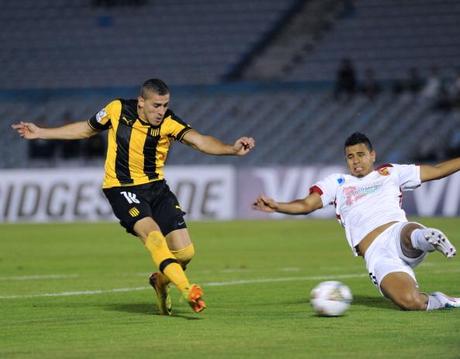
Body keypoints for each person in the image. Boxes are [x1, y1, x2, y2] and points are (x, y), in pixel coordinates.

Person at [12, 78, 255, 315]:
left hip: (157, 188)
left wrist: (231, 149)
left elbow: (200, 141)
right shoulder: (117, 109)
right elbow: (86, 129)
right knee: (154, 237)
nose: (161, 111)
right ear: (141, 102)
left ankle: (160, 281)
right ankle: (187, 289)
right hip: (122, 187)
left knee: (185, 254)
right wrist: (41, 132)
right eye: (156, 105)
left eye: (165, 105)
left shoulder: (169, 123)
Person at [253, 132, 459, 311]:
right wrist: (278, 206)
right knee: (409, 301)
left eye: (360, 155)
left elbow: (438, 171)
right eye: (350, 157)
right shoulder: (337, 183)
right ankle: (445, 300)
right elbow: (307, 205)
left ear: (372, 155)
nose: (356, 161)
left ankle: (425, 238)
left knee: (408, 232)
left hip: (397, 233)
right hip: (376, 255)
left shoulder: (390, 172)